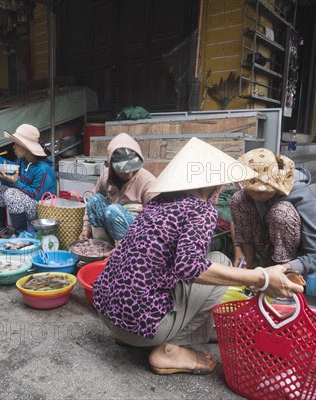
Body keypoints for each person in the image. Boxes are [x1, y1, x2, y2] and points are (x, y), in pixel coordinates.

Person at [93, 138, 304, 376]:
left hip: (107, 313)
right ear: (214, 185)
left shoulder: (158, 201)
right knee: (220, 260)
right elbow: (191, 268)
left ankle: (135, 336)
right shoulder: (200, 210)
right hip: (136, 328)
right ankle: (169, 348)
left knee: (201, 262)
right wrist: (260, 278)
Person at [230, 148, 316, 275]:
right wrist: (239, 251)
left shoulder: (306, 199)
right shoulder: (251, 194)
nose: (247, 192)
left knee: (281, 212)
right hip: (266, 243)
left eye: (251, 191)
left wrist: (281, 269)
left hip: (293, 259)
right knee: (238, 198)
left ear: (271, 188)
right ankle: (251, 263)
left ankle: (282, 274)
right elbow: (236, 223)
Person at [78, 133, 156, 244]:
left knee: (113, 210)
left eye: (132, 169)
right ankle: (102, 246)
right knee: (94, 200)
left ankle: (120, 251)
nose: (128, 174)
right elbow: (92, 202)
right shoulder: (106, 176)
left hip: (135, 233)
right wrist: (86, 229)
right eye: (123, 171)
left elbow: (157, 217)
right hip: (110, 226)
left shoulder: (147, 181)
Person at [0, 124, 56, 235]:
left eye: (16, 144)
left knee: (11, 193)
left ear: (26, 147)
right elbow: (12, 182)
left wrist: (16, 182)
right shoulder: (21, 162)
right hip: (25, 202)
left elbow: (35, 195)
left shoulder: (43, 170)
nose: (13, 147)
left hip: (41, 210)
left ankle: (21, 233)